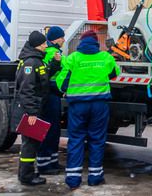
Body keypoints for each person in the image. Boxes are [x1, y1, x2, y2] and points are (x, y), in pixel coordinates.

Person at [56, 30, 120, 188]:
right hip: (99, 105)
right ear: (96, 43)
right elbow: (114, 74)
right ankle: (95, 177)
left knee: (76, 139)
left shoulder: (73, 58)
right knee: (97, 140)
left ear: (81, 43)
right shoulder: (105, 57)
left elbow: (61, 83)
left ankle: (73, 179)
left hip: (78, 106)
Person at [16, 31, 51, 186]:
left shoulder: (37, 60)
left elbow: (43, 79)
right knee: (29, 143)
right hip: (32, 110)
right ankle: (27, 176)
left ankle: (26, 172)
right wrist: (31, 112)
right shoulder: (30, 62)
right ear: (37, 45)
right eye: (44, 43)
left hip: (36, 108)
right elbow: (26, 89)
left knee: (31, 142)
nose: (46, 46)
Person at [35, 26, 65, 175]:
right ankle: (44, 165)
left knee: (54, 130)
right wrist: (56, 63)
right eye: (61, 37)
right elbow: (46, 74)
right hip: (49, 94)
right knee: (49, 130)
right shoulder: (51, 53)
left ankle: (52, 162)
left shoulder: (54, 52)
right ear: (55, 39)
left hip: (54, 94)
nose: (63, 40)